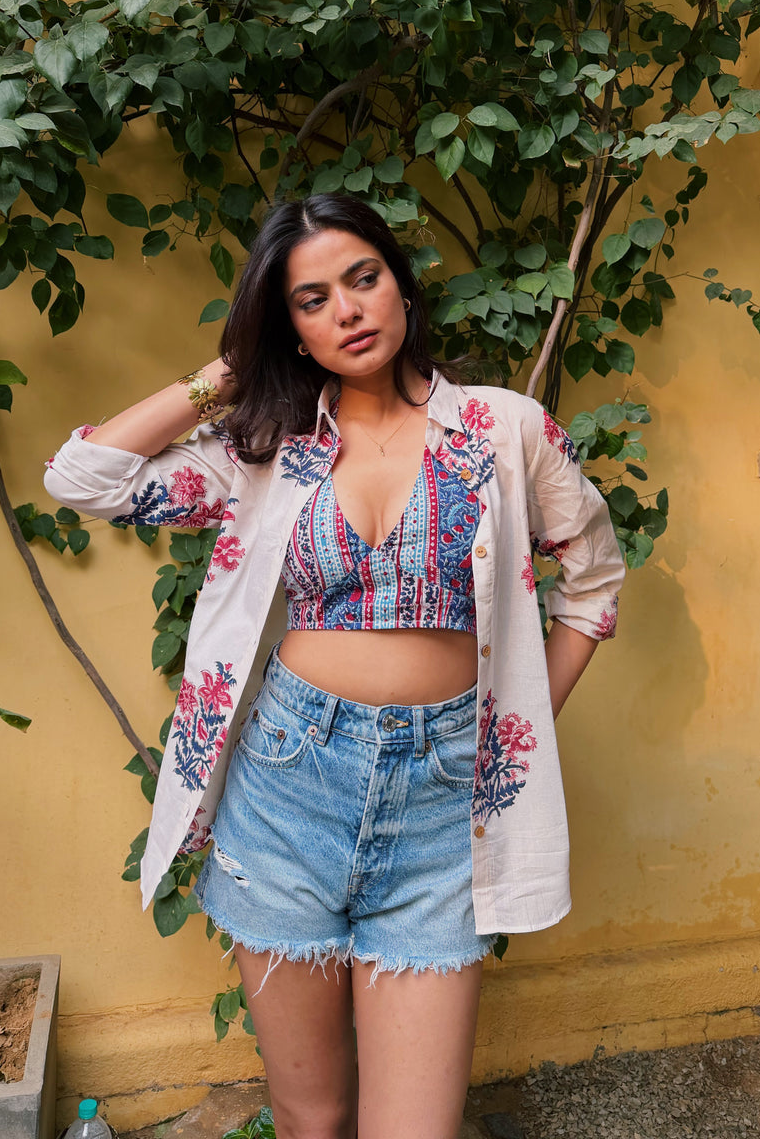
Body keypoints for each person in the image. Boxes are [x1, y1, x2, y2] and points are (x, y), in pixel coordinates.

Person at [43, 194, 625, 1139]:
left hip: (443, 809)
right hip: (286, 790)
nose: (348, 311)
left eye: (363, 279)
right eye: (311, 300)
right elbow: (84, 479)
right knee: (310, 1116)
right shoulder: (265, 449)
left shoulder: (506, 431)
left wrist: (513, 733)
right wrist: (226, 375)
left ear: (399, 286)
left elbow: (594, 581)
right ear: (291, 329)